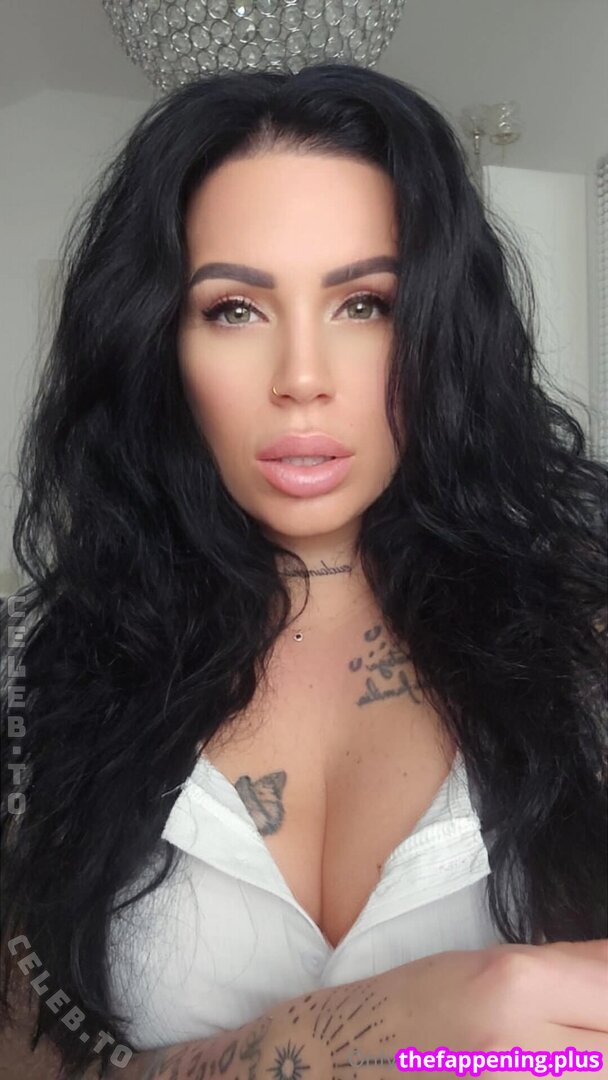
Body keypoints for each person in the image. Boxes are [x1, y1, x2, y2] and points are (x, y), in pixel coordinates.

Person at [0, 62, 606, 1080]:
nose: (302, 380)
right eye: (234, 309)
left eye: (364, 304)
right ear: (157, 342)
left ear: (441, 333)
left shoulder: (585, 638)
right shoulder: (35, 669)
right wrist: (339, 1037)